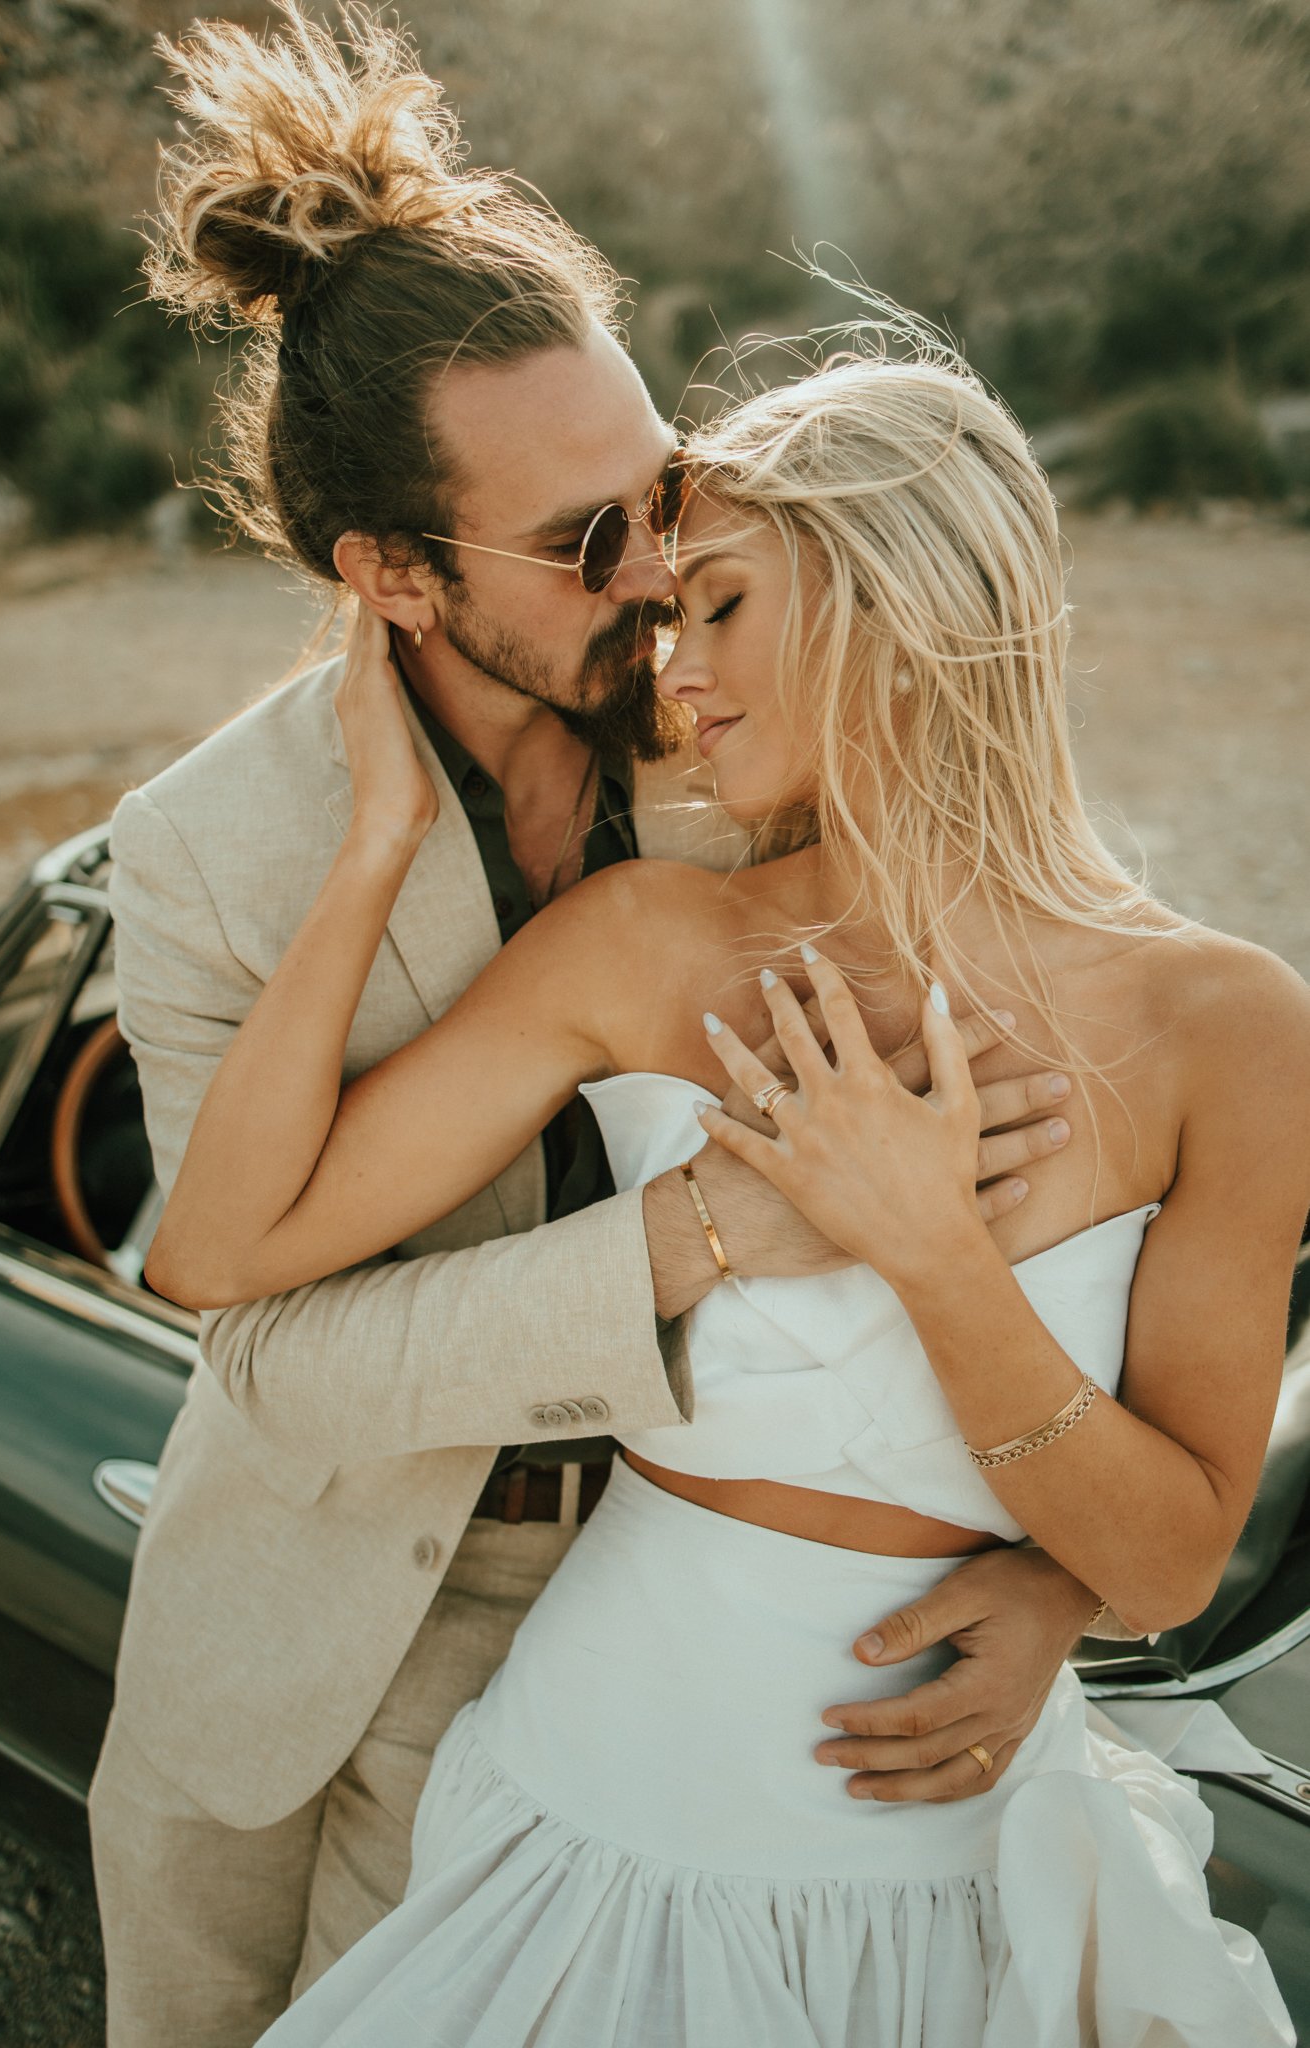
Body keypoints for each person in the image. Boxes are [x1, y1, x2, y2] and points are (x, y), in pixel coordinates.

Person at [89, 10, 1109, 2044]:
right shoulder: (205, 849)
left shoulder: (752, 739)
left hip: (637, 1652)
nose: (656, 575)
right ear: (385, 570)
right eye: (579, 543)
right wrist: (700, 1227)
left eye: (654, 493)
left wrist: (1063, 1580)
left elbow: (1066, 1148)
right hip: (284, 1646)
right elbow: (260, 1349)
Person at [145, 317, 1308, 2039]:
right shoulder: (642, 938)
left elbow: (1163, 1570)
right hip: (590, 1802)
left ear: (906, 600)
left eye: (723, 604)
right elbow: (224, 1252)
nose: (669, 663)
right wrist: (376, 828)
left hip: (956, 1858)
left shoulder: (1229, 1023)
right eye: (665, 609)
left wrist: (934, 1257)